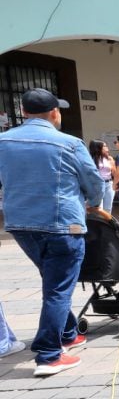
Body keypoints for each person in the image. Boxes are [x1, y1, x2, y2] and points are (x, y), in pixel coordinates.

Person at [0, 89, 103, 376]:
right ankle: (48, 354)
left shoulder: (3, 141)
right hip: (62, 225)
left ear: (24, 112)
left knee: (54, 279)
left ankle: (69, 333)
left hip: (21, 224)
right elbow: (93, 181)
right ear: (55, 113)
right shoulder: (69, 143)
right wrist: (94, 204)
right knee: (58, 288)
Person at [89, 139, 116, 213]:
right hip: (97, 185)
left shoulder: (109, 158)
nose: (107, 148)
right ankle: (98, 223)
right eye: (104, 146)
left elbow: (114, 173)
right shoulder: (90, 159)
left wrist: (116, 184)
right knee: (98, 208)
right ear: (98, 148)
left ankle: (106, 224)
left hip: (109, 184)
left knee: (108, 208)